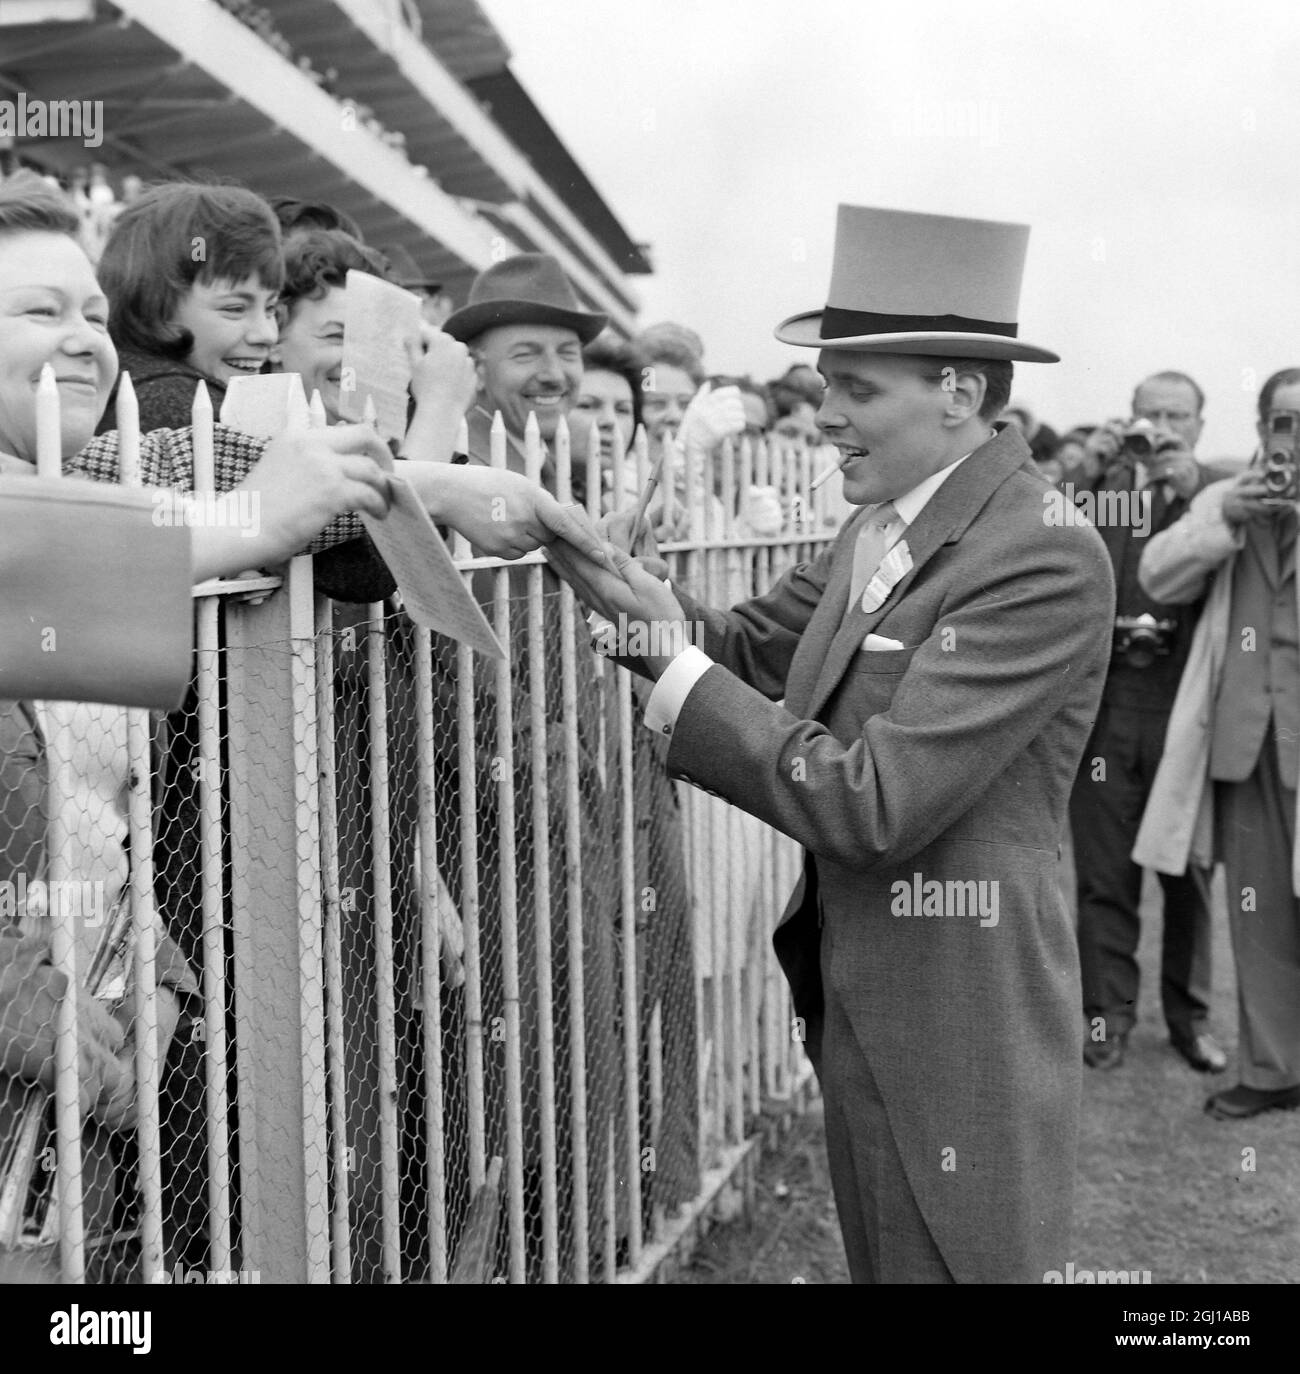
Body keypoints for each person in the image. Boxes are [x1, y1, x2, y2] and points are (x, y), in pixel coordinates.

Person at [549, 204, 1115, 1283]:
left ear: (958, 393)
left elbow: (875, 804)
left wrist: (671, 666)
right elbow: (752, 646)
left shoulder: (1041, 556)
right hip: (858, 978)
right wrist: (628, 597)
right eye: (823, 386)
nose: (823, 415)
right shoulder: (883, 518)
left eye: (855, 390)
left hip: (957, 1000)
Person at [1135, 367, 1300, 1120]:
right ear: (1262, 429)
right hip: (1246, 739)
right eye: (1282, 424)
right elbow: (1156, 574)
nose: (1291, 442)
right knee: (1256, 911)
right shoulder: (1225, 499)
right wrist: (1225, 516)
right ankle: (1271, 1070)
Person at [1068, 373, 1225, 1073]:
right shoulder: (1099, 498)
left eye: (1176, 416)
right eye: (1149, 416)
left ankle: (1190, 1020)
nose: (1161, 429)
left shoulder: (1221, 495)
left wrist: (1191, 488)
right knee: (1104, 874)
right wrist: (1088, 467)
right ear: (1127, 421)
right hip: (1108, 706)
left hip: (1187, 703)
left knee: (1186, 871)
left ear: (1199, 422)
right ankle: (1107, 1015)